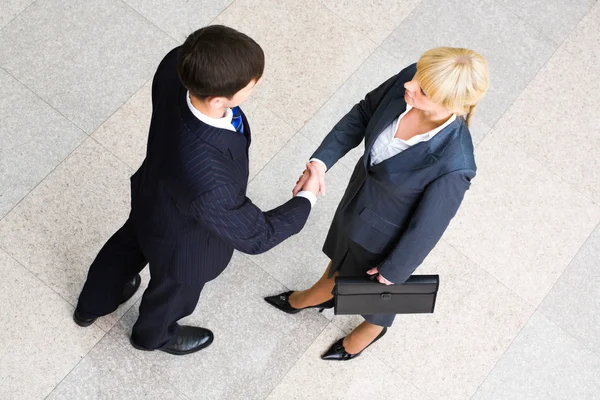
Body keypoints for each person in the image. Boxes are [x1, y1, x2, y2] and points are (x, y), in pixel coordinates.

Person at [73, 25, 321, 356]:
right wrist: (308, 197)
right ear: (218, 99)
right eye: (251, 85)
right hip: (185, 244)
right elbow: (257, 235)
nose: (256, 86)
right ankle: (152, 337)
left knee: (126, 247)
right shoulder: (210, 182)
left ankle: (93, 304)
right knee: (174, 291)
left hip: (152, 196)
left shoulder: (177, 65)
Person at [266, 47, 489, 361]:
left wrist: (394, 271)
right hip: (357, 201)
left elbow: (428, 227)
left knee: (378, 291)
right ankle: (324, 291)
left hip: (385, 237)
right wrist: (320, 163)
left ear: (448, 104)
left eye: (422, 90)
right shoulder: (412, 80)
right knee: (343, 259)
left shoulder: (455, 163)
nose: (409, 86)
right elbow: (363, 114)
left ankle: (373, 327)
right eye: (416, 78)